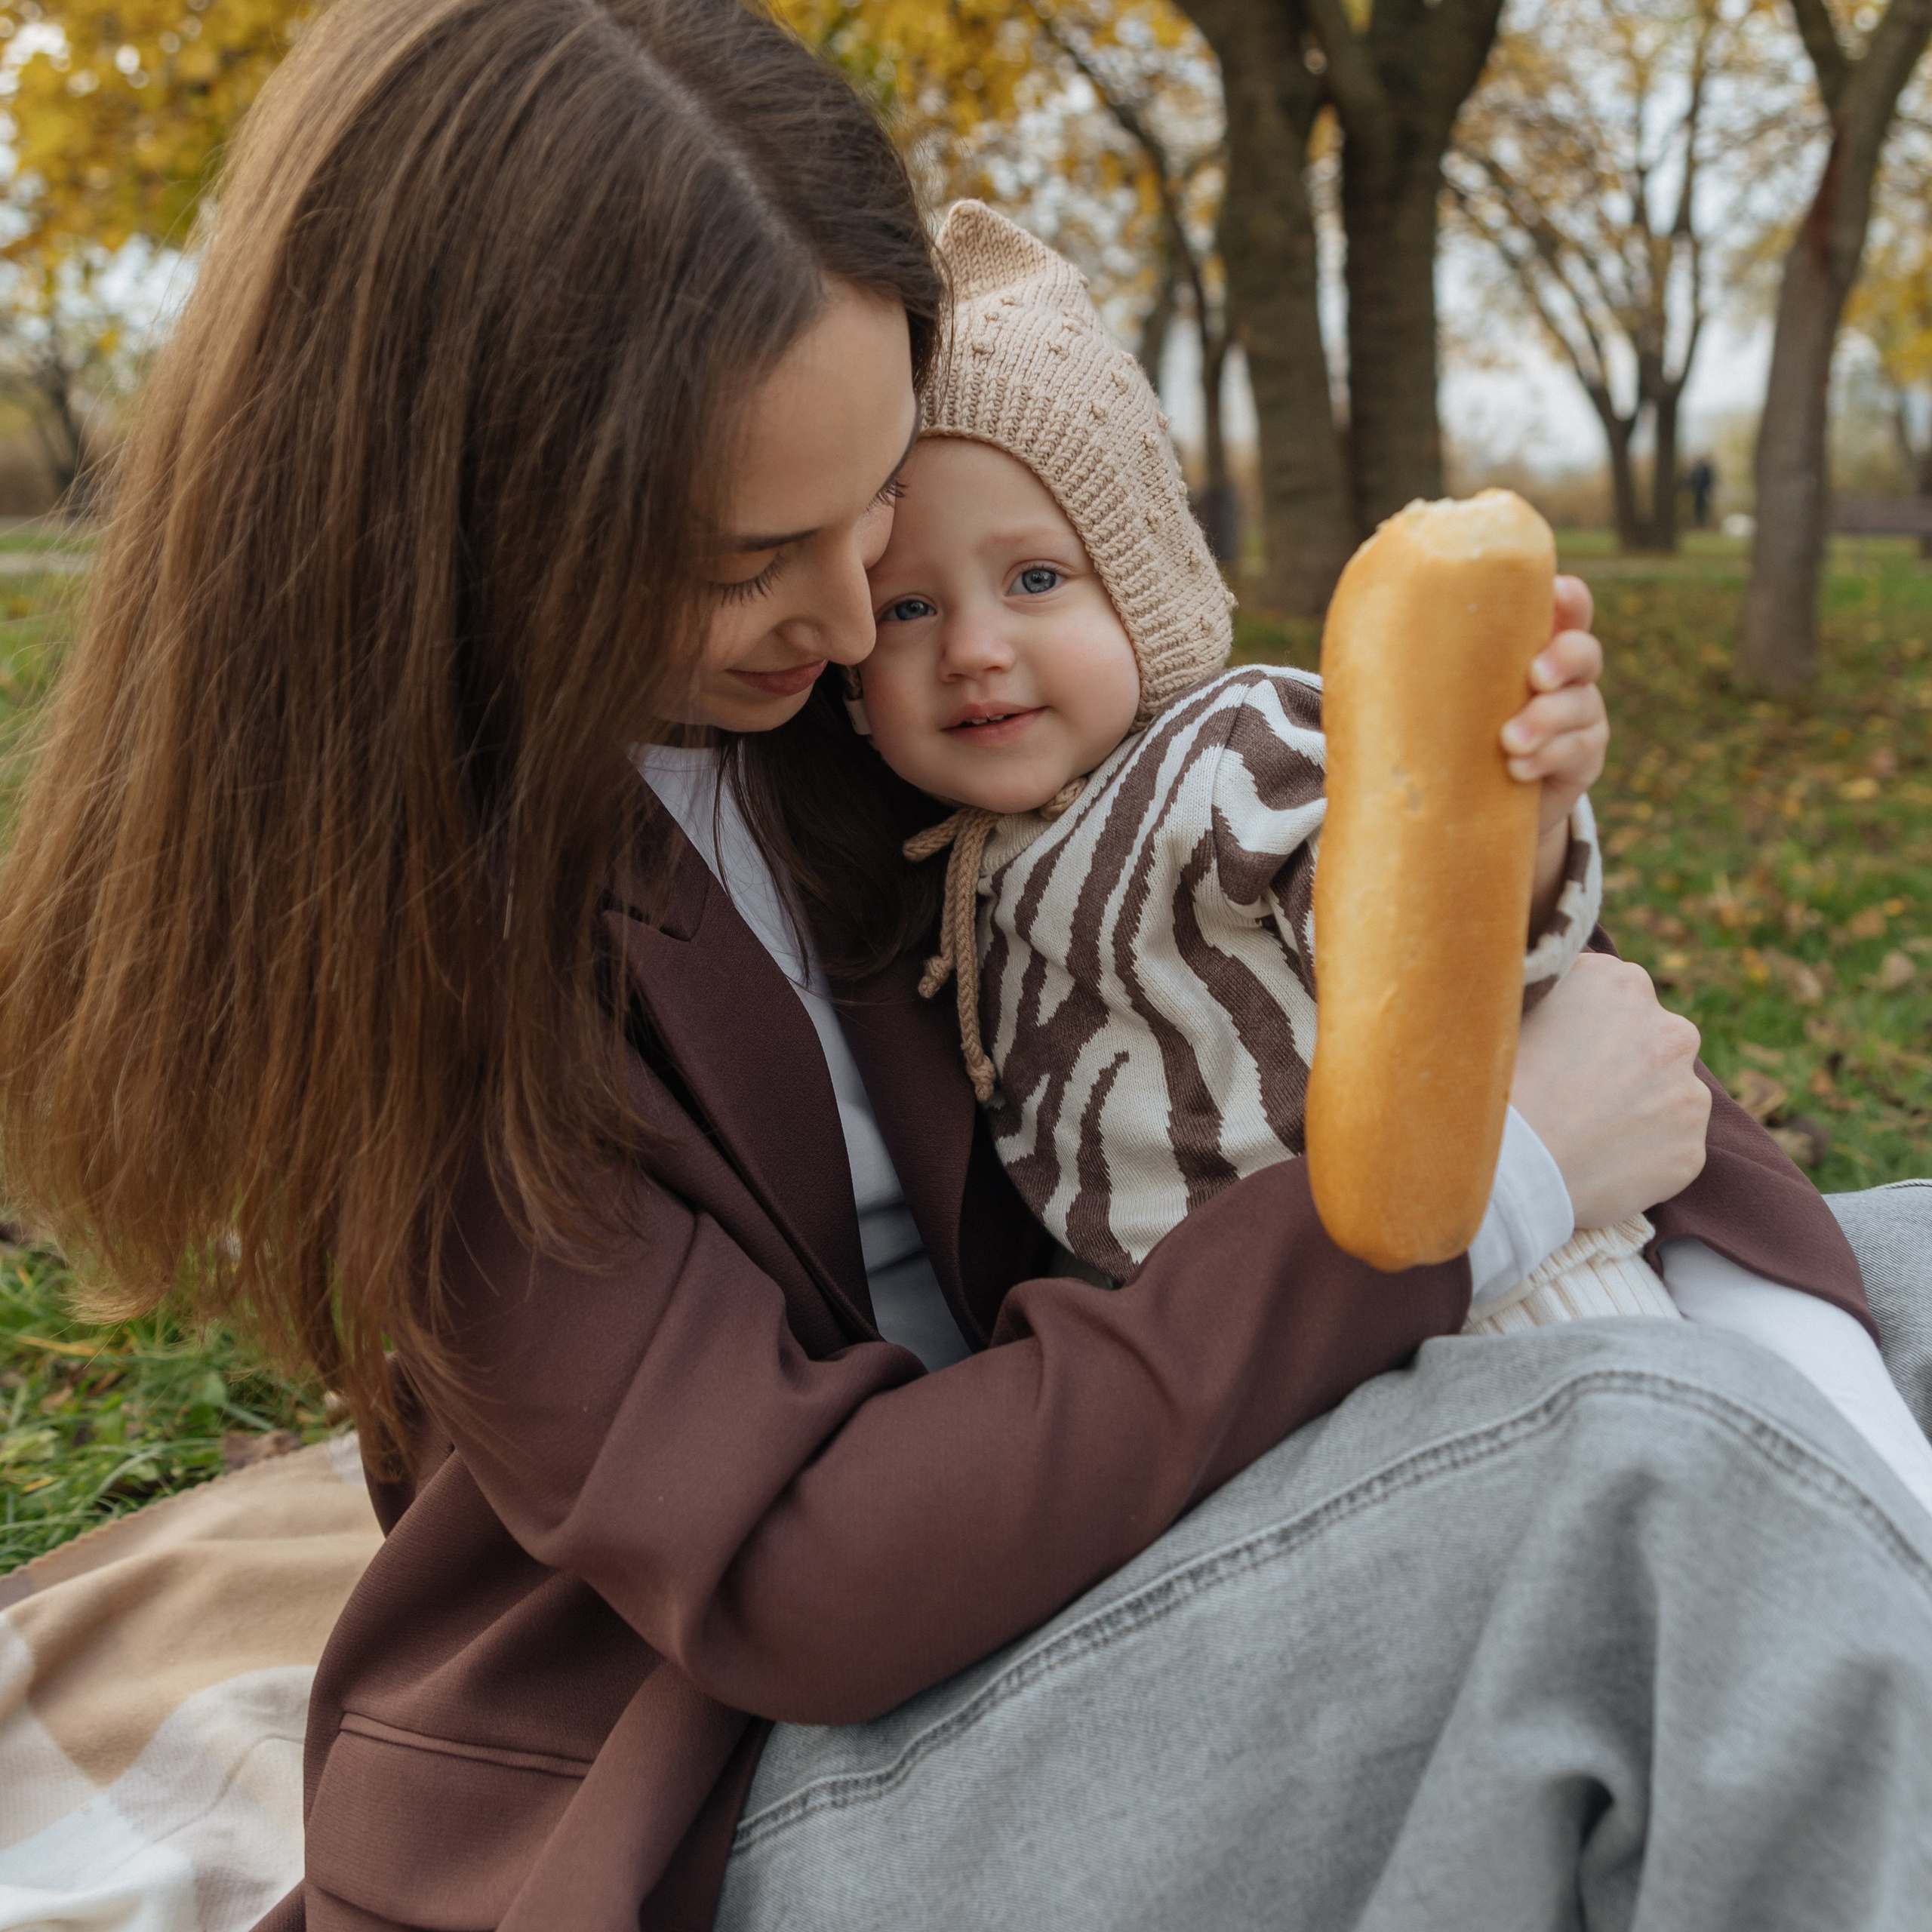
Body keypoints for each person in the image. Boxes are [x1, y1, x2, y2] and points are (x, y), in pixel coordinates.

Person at [0, 4, 1925, 1930]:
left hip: (1104, 1516)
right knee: (1675, 1496)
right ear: (468, 519)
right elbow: (801, 1569)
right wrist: (1459, 1197)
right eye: (750, 552)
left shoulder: (823, 703)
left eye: (871, 510)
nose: (853, 618)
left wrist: (1504, 839)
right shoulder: (416, 946)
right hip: (726, 1782)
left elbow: (1234, 887)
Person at [853, 203, 1932, 1509]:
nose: (971, 646)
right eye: (909, 606)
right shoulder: (960, 872)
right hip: (1264, 1388)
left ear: (1143, 586)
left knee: (1772, 1489)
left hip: (1498, 1293)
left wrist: (1522, 818)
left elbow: (1445, 936)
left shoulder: (1234, 751)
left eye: (1034, 581)